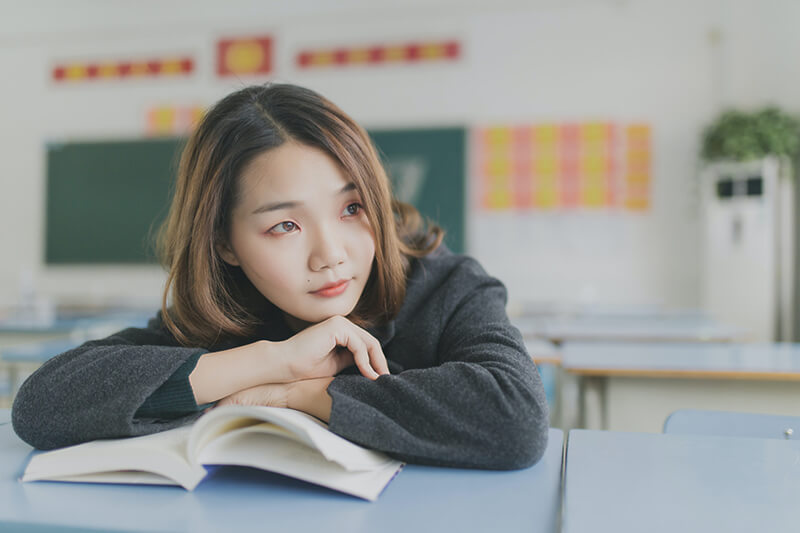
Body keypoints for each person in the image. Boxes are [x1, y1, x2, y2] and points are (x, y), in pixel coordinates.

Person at [12, 83, 548, 469]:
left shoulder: (446, 287)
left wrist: (297, 395)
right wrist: (271, 360)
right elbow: (42, 404)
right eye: (285, 225)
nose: (330, 255)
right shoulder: (231, 312)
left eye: (352, 208)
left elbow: (515, 418)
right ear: (224, 242)